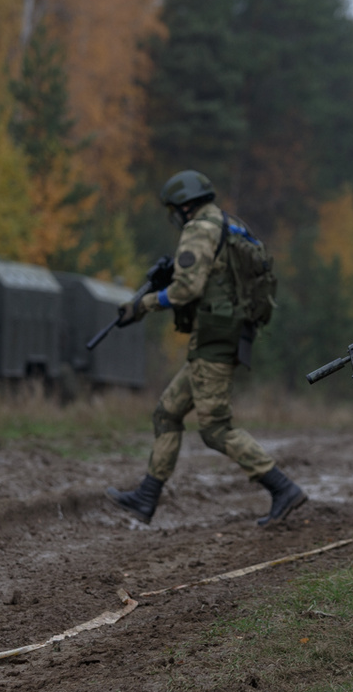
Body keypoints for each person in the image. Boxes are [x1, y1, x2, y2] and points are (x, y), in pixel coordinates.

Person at [106, 170, 307, 526]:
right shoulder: (231, 224)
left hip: (215, 339)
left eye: (174, 210)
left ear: (185, 207)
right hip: (224, 334)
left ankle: (282, 488)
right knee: (167, 413)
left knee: (215, 428)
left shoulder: (200, 229)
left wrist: (143, 304)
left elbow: (187, 289)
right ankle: (146, 498)